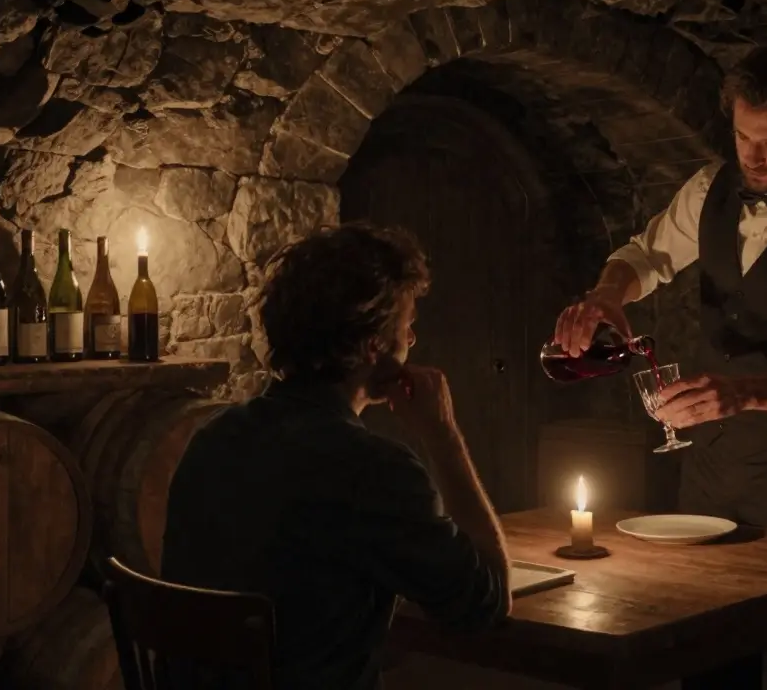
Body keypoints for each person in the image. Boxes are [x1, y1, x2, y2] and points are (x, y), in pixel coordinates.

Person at [552, 41, 767, 689]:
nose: (752, 156)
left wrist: (744, 394)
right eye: (742, 136)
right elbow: (646, 255)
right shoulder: (710, 187)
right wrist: (608, 294)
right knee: (709, 645)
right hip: (710, 468)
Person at [159, 223, 512, 690]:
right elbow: (485, 605)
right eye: (408, 327)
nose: (412, 342)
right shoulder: (373, 470)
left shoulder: (215, 439)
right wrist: (443, 433)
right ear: (374, 344)